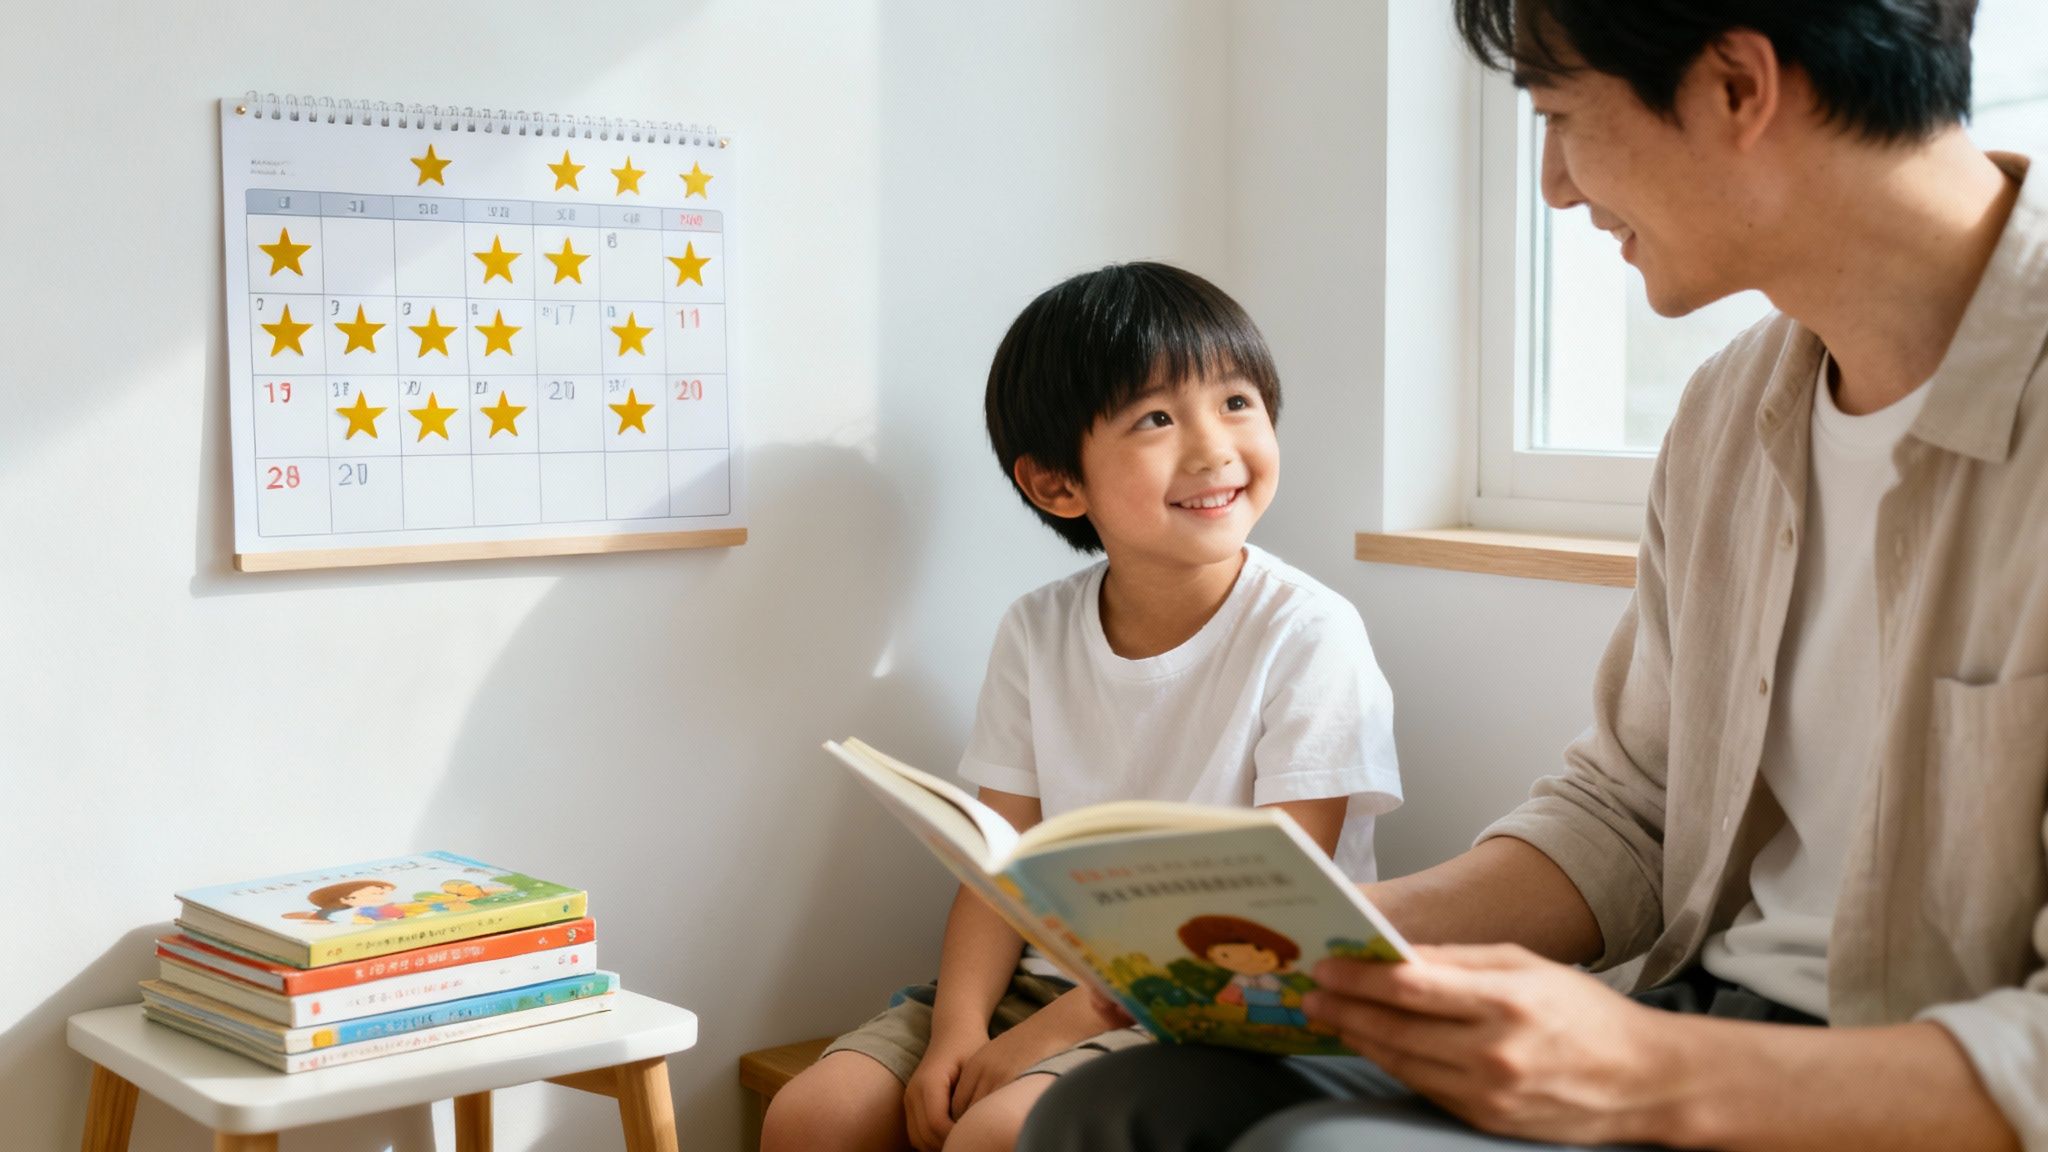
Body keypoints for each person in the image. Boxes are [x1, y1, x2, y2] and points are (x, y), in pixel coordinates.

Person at [1019, 2, 2045, 1149]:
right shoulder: (1724, 417)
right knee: (1113, 1105)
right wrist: (1331, 945)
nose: (1553, 184)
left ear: (1734, 89)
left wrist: (1650, 1070)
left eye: (1559, 117)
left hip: (1891, 1087)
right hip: (1692, 1005)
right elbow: (1630, 812)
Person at [762, 262, 1404, 1152]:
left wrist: (1051, 1035)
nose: (1215, 446)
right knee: (813, 1115)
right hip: (1046, 980)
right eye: (1155, 418)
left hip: (1229, 1002)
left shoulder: (1310, 633)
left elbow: (1274, 915)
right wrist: (959, 1029)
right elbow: (996, 869)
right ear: (1060, 485)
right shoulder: (1037, 630)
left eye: (1237, 402)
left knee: (996, 1134)